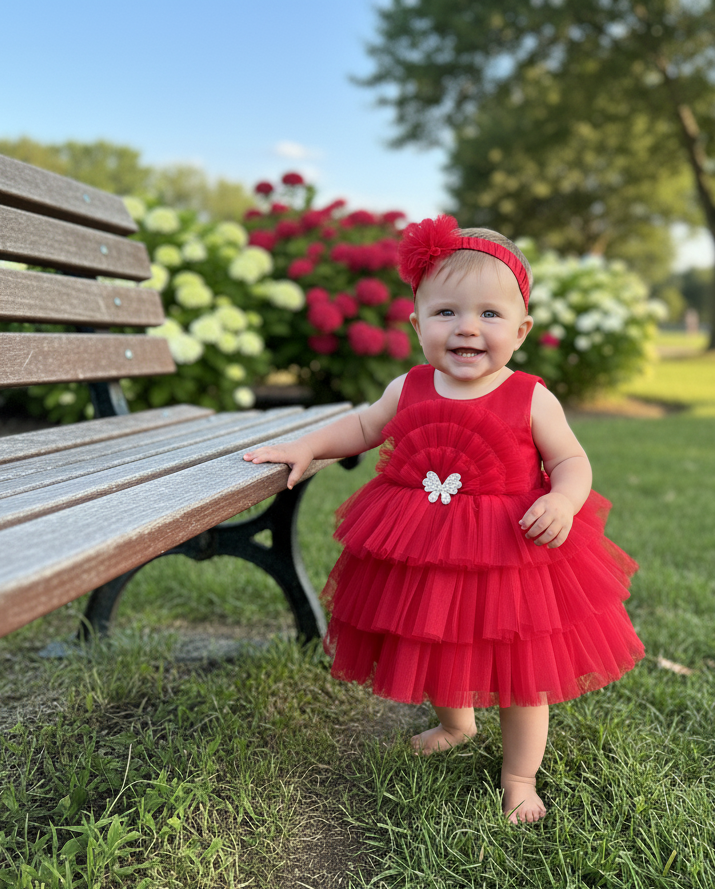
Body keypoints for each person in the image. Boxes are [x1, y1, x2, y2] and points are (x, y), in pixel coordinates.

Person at [244, 215, 644, 824]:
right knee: (436, 634)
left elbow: (571, 458)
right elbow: (360, 428)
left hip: (511, 551)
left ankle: (519, 774)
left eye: (489, 315)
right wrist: (308, 446)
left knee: (519, 670)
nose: (466, 328)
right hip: (425, 545)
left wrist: (562, 500)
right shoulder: (410, 386)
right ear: (417, 323)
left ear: (521, 329)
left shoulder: (530, 395)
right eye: (446, 312)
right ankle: (456, 723)